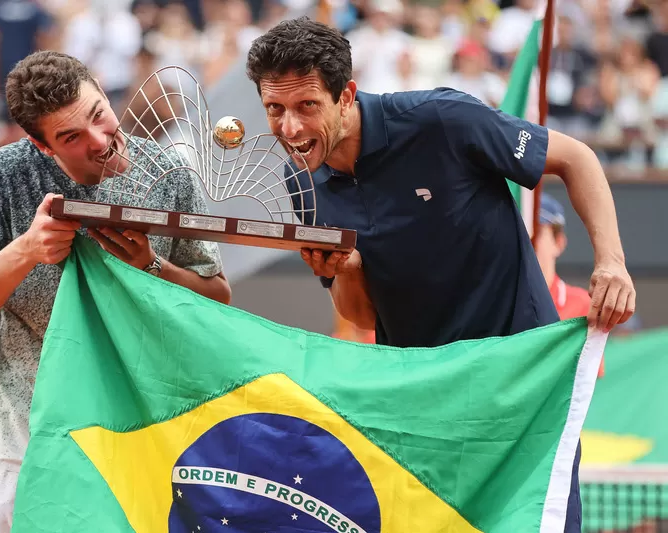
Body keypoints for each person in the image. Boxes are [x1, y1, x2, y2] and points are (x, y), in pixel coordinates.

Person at [245, 16, 636, 533]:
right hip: (420, 404)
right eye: (274, 109)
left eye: (306, 106)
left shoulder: (441, 118)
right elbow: (358, 312)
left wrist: (611, 260)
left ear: (346, 95)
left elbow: (577, 158)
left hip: (518, 385)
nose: (289, 128)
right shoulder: (301, 182)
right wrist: (350, 270)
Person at [0, 50, 231, 533]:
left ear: (100, 86)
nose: (99, 141)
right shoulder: (3, 174)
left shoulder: (170, 172)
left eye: (98, 115)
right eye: (71, 137)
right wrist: (26, 250)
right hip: (15, 446)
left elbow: (216, 298)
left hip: (132, 434)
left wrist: (151, 266)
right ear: (42, 145)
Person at [534, 192, 603, 376]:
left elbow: (584, 384)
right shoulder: (498, 303)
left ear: (559, 243)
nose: (527, 240)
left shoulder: (583, 306)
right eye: (522, 231)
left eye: (536, 231)